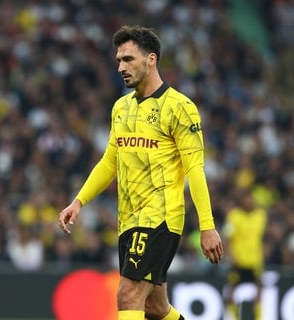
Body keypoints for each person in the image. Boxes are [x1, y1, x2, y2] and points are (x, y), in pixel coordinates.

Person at [59, 25, 224, 320]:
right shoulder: (121, 107)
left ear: (151, 60)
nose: (121, 67)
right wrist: (78, 201)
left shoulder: (180, 107)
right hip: (129, 219)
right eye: (119, 61)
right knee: (155, 307)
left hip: (160, 217)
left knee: (128, 294)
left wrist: (207, 226)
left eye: (129, 59)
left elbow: (194, 169)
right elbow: (110, 161)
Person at [223, 188, 267, 320]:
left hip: (255, 260)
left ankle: (258, 317)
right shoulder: (234, 216)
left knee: (259, 290)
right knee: (232, 291)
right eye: (246, 200)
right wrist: (231, 256)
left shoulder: (261, 215)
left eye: (251, 200)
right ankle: (234, 317)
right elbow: (228, 239)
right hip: (239, 260)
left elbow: (263, 238)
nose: (249, 202)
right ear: (241, 201)